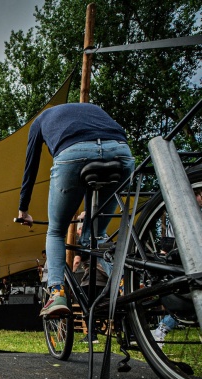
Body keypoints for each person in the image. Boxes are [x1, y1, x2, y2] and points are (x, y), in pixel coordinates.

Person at [17, 103, 135, 318]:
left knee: (56, 232)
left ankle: (57, 292)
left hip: (73, 155)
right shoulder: (93, 109)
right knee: (97, 234)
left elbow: (30, 166)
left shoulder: (40, 120)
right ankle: (126, 283)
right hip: (120, 152)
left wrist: (23, 209)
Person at [153, 186, 202, 347]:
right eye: (200, 195)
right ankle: (162, 328)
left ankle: (162, 329)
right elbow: (170, 244)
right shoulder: (182, 214)